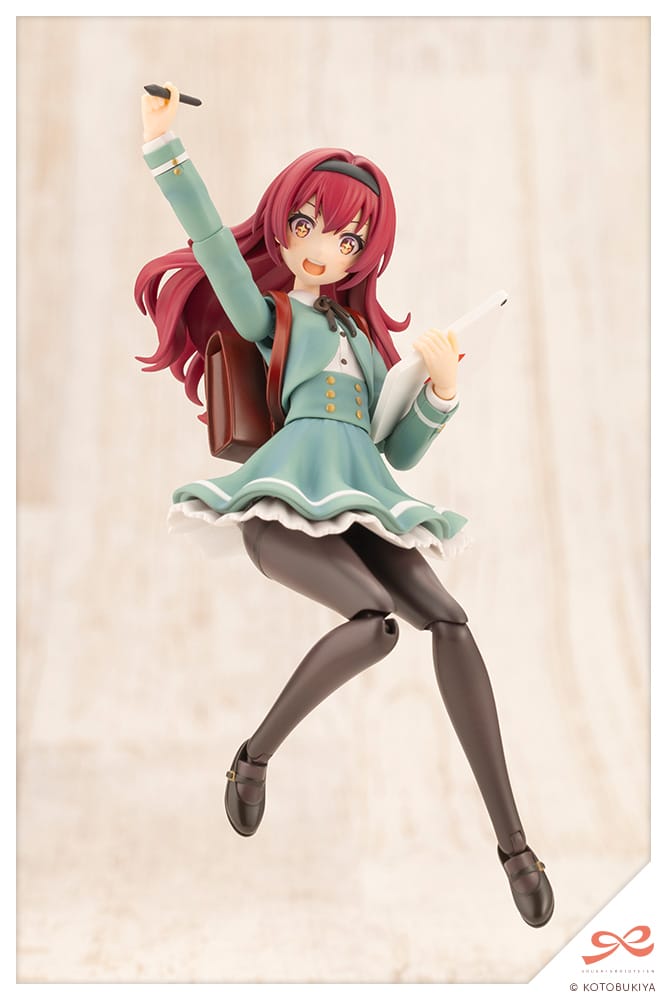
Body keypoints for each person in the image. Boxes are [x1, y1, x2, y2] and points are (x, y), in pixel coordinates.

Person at [135, 83, 554, 927]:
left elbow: (394, 453)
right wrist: (164, 147)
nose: (325, 248)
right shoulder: (276, 316)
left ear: (365, 253)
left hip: (362, 506)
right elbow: (214, 244)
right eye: (308, 226)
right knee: (374, 624)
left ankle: (513, 846)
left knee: (450, 621)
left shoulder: (364, 344)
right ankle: (254, 758)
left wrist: (439, 390)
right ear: (284, 226)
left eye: (349, 238)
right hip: (280, 506)